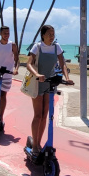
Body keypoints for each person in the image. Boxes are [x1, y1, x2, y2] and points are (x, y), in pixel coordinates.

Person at [26, 25, 74, 157]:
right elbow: (29, 63)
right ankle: (35, 144)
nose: (52, 36)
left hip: (50, 84)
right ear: (43, 35)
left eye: (53, 34)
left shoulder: (56, 47)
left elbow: (62, 62)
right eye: (49, 34)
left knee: (45, 115)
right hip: (38, 83)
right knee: (38, 115)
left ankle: (38, 142)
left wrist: (67, 78)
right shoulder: (37, 47)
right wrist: (37, 74)